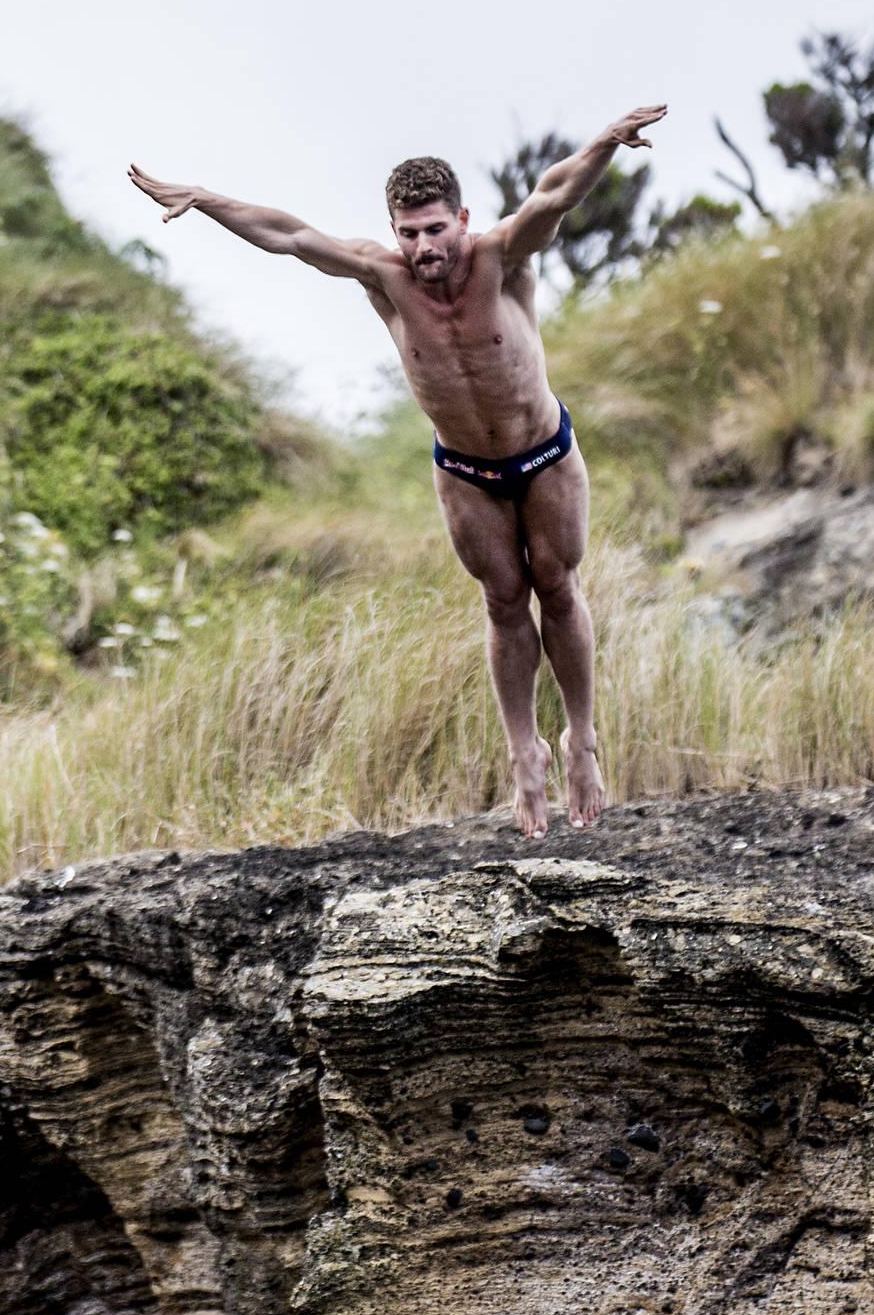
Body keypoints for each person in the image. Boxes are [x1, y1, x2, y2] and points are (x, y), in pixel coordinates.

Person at [127, 107, 667, 836]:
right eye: (409, 233)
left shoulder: (503, 255)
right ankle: (523, 751)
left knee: (558, 587)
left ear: (462, 220)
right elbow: (290, 236)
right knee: (504, 600)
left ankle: (581, 739)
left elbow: (555, 194)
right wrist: (204, 198)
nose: (423, 247)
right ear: (394, 230)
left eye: (435, 229)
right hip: (465, 470)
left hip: (544, 454)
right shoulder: (383, 278)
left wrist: (603, 143)